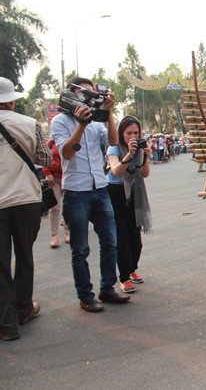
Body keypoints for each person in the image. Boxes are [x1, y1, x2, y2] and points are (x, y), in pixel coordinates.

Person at [50, 77, 130, 313]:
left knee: (110, 242)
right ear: (71, 95)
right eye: (84, 94)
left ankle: (108, 288)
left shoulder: (97, 121)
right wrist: (81, 125)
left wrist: (109, 111)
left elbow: (114, 141)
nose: (89, 99)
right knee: (81, 249)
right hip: (76, 192)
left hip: (100, 189)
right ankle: (86, 295)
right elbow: (66, 153)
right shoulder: (60, 122)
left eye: (92, 94)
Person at [0, 77, 52, 341]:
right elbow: (45, 158)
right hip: (26, 199)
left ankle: (7, 324)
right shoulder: (29, 124)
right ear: (11, 101)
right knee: (24, 255)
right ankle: (23, 308)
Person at [106, 116, 152, 294]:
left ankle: (132, 269)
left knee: (135, 237)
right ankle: (124, 278)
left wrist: (145, 156)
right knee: (122, 238)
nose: (132, 136)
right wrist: (129, 154)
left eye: (136, 132)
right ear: (121, 133)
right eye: (128, 133)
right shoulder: (114, 147)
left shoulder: (141, 147)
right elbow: (116, 171)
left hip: (135, 194)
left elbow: (145, 174)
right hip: (115, 193)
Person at [43, 138, 70, 247]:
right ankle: (54, 236)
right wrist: (48, 173)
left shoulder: (69, 140)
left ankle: (67, 232)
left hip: (68, 177)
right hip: (54, 178)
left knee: (68, 206)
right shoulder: (50, 143)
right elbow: (45, 158)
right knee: (54, 207)